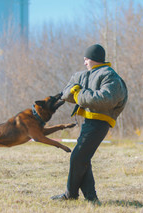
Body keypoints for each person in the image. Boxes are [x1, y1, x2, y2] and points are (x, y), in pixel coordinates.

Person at [51, 44, 128, 203]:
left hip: (101, 122)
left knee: (78, 156)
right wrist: (74, 92)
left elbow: (105, 99)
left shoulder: (110, 76)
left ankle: (71, 195)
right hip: (88, 121)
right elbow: (66, 92)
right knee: (82, 157)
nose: (84, 62)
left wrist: (79, 93)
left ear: (94, 59)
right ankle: (91, 198)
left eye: (86, 59)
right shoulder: (82, 75)